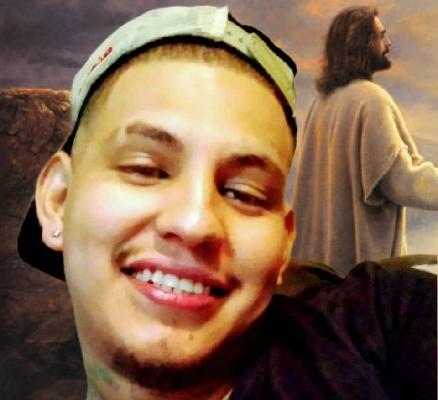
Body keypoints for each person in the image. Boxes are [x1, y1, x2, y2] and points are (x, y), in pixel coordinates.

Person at [17, 5, 436, 399]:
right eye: (146, 169)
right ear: (58, 199)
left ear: (285, 243)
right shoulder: (370, 100)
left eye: (244, 193)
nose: (195, 222)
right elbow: (402, 180)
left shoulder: (382, 325)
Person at [291, 6, 438, 276]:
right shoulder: (372, 100)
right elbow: (401, 182)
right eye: (381, 36)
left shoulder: (320, 103)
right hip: (363, 277)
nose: (388, 43)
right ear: (362, 43)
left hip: (323, 275)